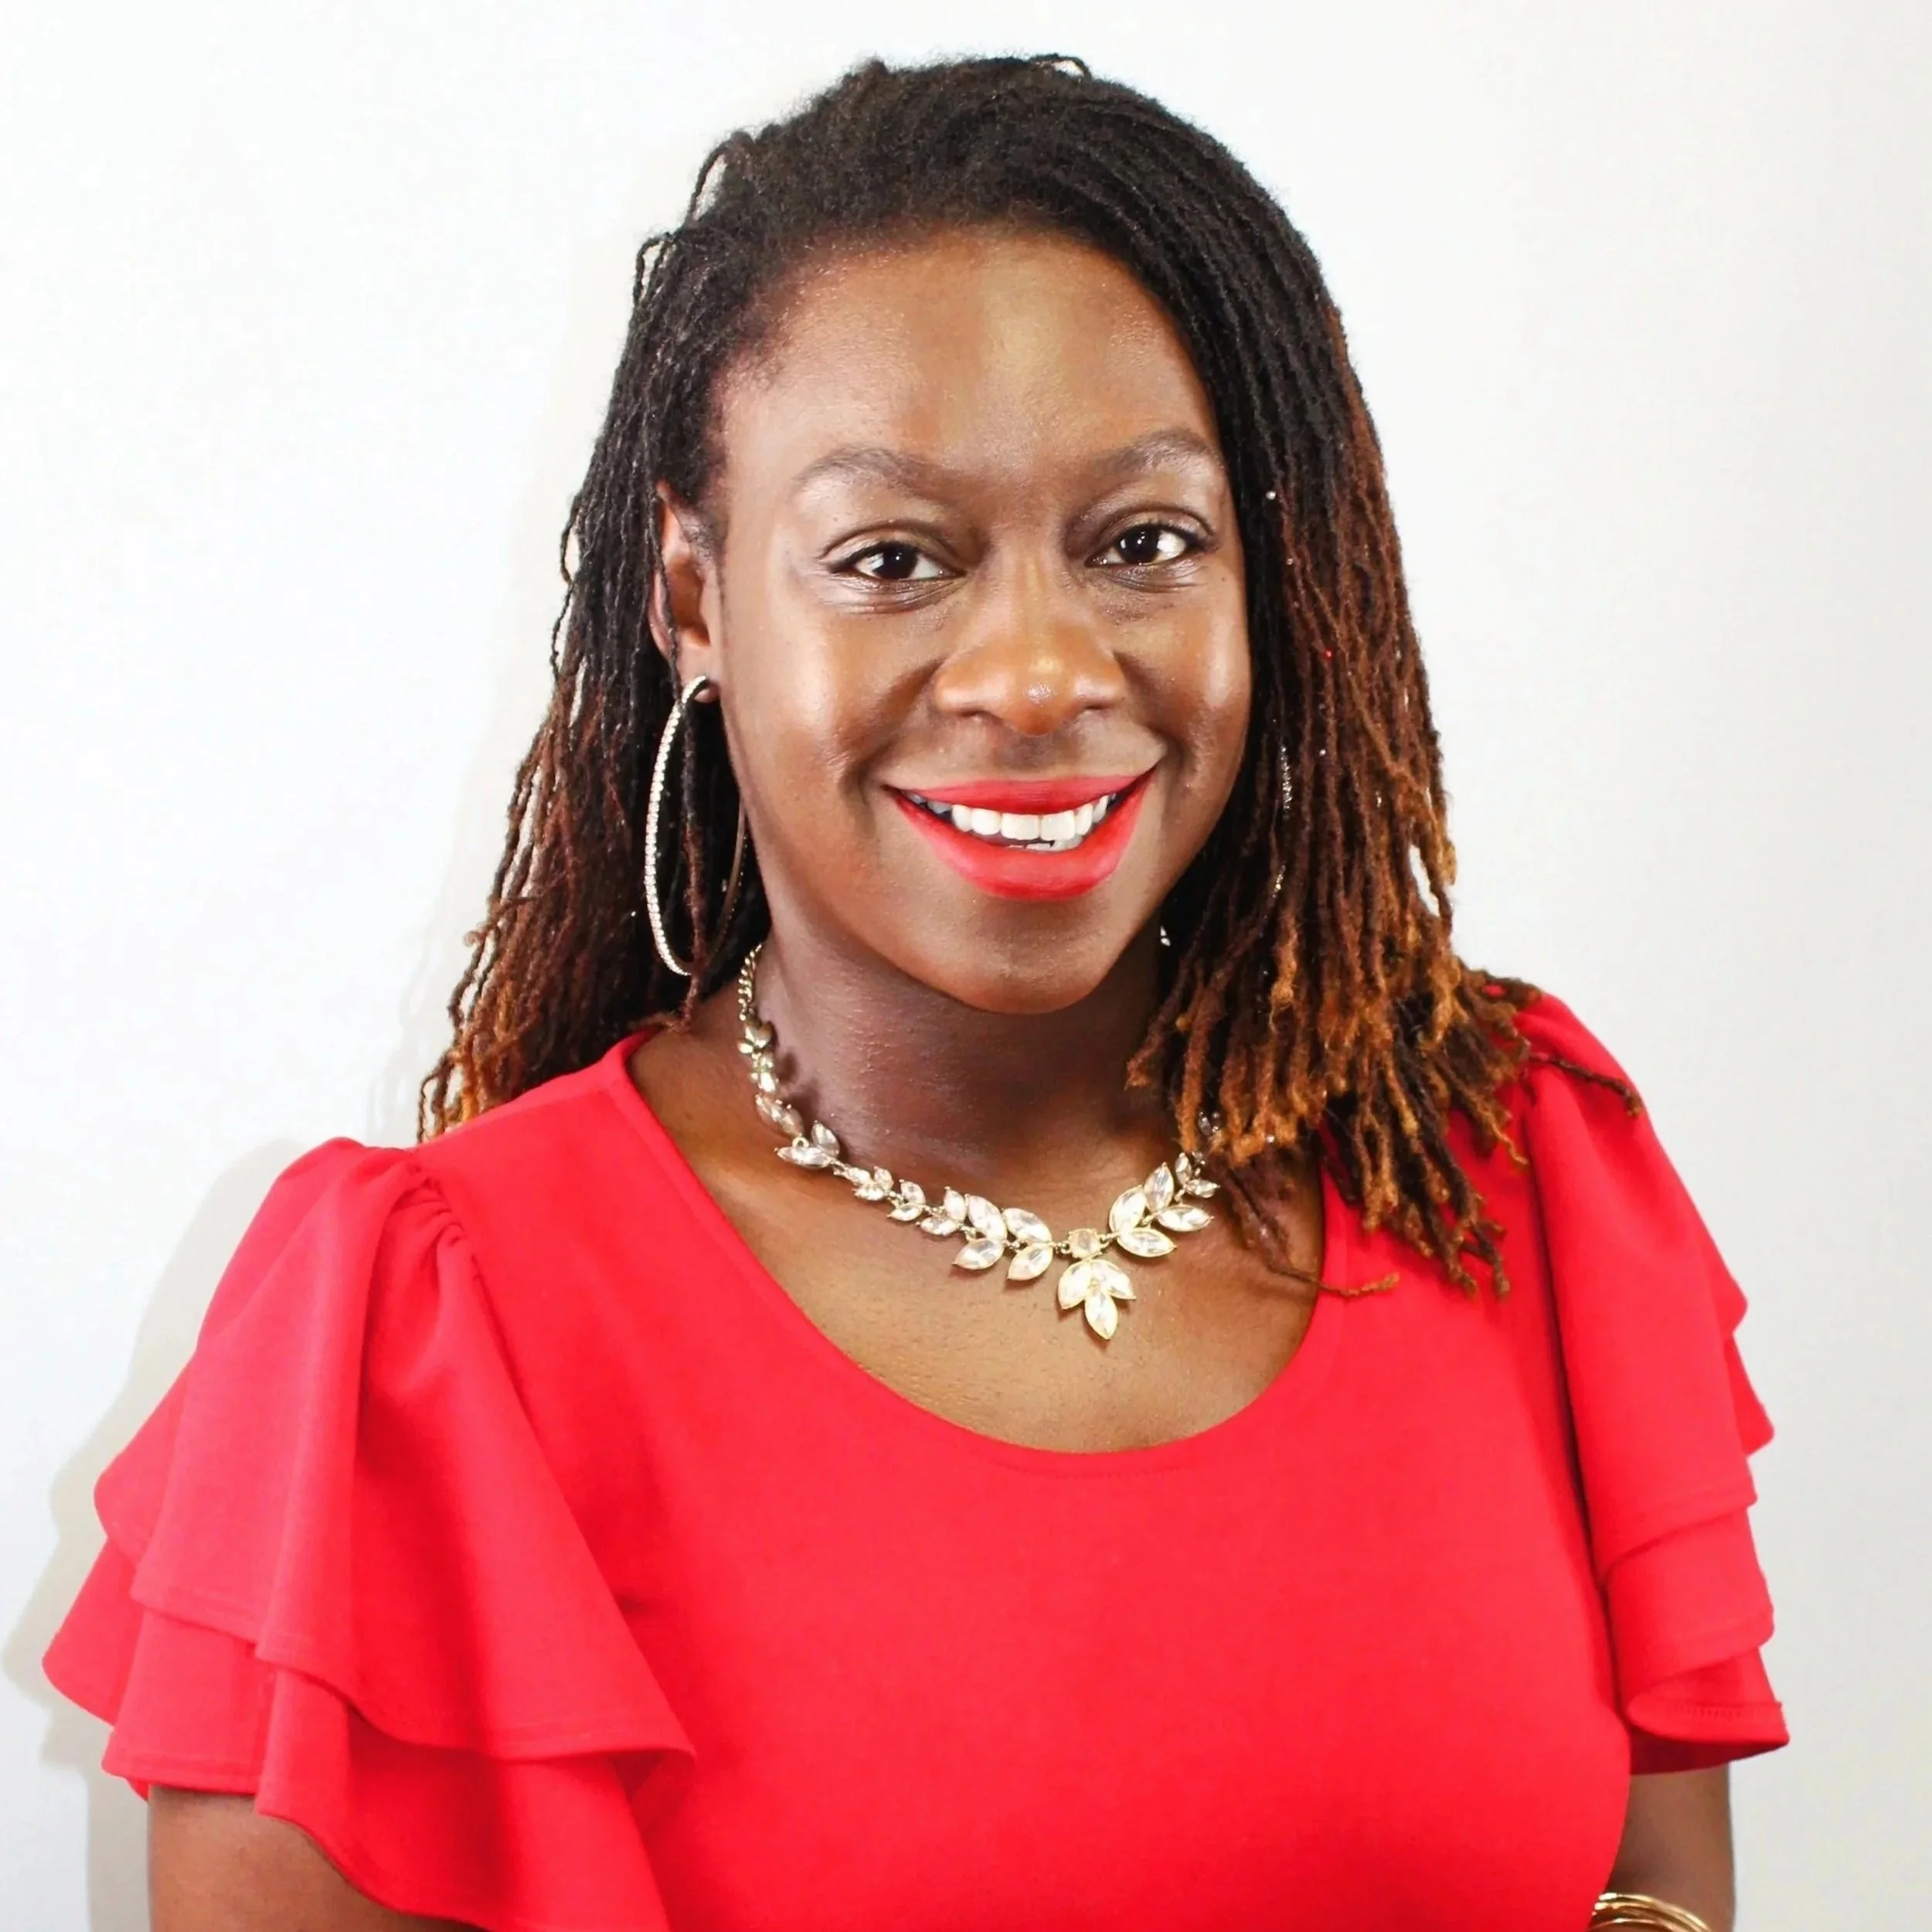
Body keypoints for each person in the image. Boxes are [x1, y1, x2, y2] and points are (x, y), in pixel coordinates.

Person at [43, 54, 1785, 1932]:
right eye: (889, 557)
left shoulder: (1507, 1168)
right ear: (693, 600)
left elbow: (1651, 1892)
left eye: (1141, 542)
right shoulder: (419, 1349)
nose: (1035, 672)